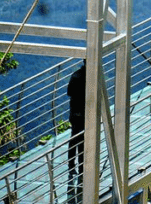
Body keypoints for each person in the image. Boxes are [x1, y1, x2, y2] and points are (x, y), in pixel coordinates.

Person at [67, 61, 86, 200]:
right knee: (83, 141)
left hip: (74, 111)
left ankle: (72, 165)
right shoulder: (89, 77)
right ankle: (81, 167)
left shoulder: (75, 75)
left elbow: (69, 92)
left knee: (74, 138)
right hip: (84, 113)